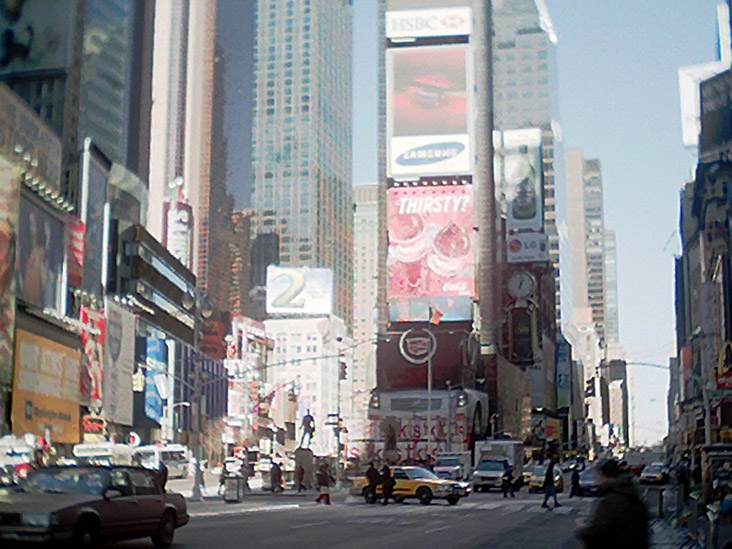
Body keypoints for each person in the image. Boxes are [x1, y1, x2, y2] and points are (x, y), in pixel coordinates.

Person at [576, 458, 650, 548]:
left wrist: (583, 529)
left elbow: (596, 532)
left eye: (596, 475)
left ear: (603, 475)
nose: (594, 478)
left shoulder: (611, 501)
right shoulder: (630, 492)